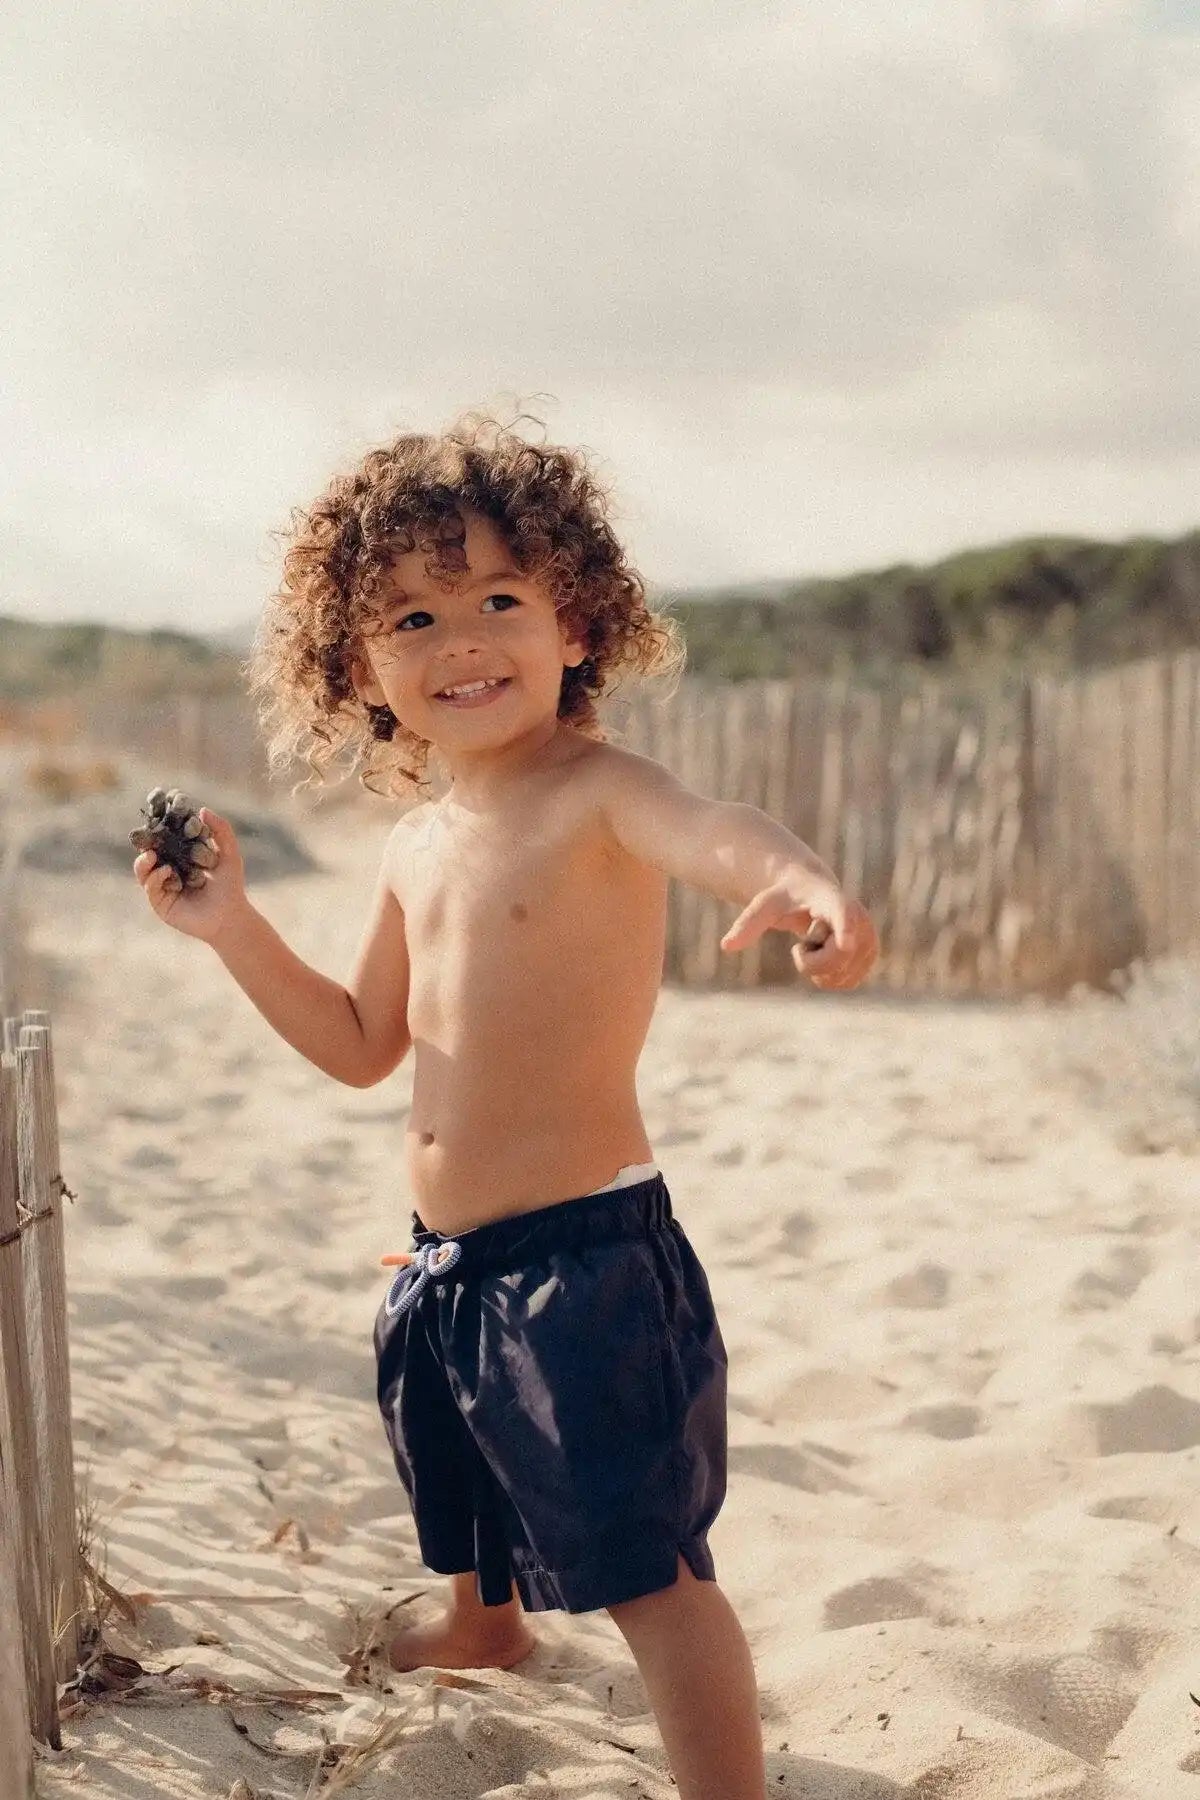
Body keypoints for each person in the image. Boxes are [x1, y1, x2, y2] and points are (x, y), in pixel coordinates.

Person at [132, 412, 878, 1800]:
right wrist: (232, 927)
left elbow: (714, 831)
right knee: (463, 1478)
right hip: (449, 1261)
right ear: (360, 667)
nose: (461, 638)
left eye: (498, 600)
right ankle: (485, 1626)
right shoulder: (416, 844)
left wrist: (800, 881)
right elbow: (362, 1044)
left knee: (651, 1570)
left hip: (586, 1264)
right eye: (413, 616)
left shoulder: (599, 793)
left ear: (578, 621)